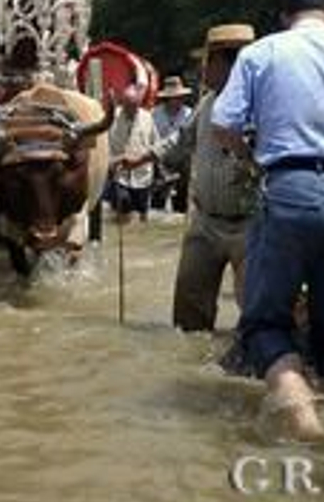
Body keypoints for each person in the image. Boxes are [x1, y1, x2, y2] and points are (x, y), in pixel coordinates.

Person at [211, 0, 324, 439]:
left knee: (264, 324)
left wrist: (252, 158)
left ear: (284, 16)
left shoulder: (263, 52)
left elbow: (223, 123)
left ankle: (307, 428)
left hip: (289, 189)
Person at [145, 24, 258, 332]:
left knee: (258, 313)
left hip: (250, 223)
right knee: (188, 315)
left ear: (230, 63)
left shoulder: (261, 103)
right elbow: (182, 141)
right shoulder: (207, 103)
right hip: (205, 220)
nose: (202, 68)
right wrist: (144, 157)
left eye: (207, 61)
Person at [105, 82, 158, 228]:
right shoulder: (112, 118)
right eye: (128, 106)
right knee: (121, 211)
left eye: (135, 106)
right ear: (123, 103)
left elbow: (156, 144)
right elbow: (104, 146)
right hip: (119, 175)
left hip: (143, 176)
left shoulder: (147, 117)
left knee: (142, 217)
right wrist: (111, 162)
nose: (132, 110)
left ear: (139, 104)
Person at [150, 76, 195, 212]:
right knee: (157, 201)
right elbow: (152, 139)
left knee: (182, 201)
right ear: (167, 98)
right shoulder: (155, 114)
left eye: (180, 97)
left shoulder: (189, 114)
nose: (178, 100)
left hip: (182, 161)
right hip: (160, 160)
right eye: (174, 97)